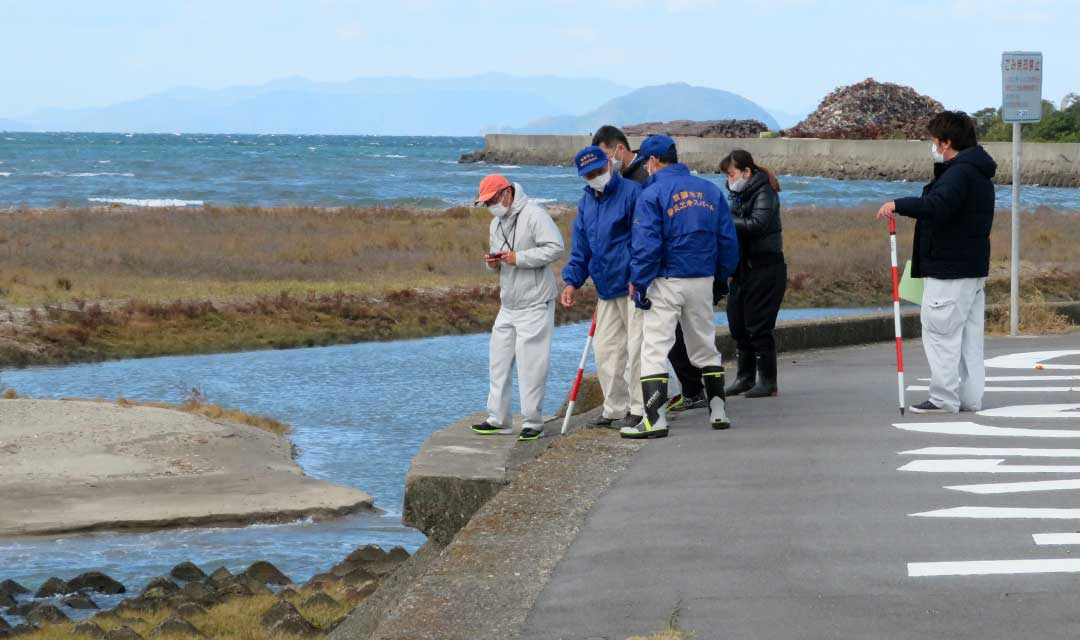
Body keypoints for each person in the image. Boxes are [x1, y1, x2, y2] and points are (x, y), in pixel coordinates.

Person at [877, 111, 997, 414]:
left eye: (934, 141)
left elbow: (937, 206)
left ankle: (943, 398)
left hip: (949, 269)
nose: (933, 147)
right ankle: (970, 397)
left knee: (941, 333)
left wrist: (899, 205)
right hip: (971, 268)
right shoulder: (977, 171)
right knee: (969, 337)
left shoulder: (959, 173)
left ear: (947, 142)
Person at [621, 135, 739, 439]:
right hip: (701, 278)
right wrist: (721, 279)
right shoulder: (710, 191)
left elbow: (647, 244)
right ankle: (718, 411)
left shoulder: (652, 194)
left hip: (665, 280)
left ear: (652, 161)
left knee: (654, 348)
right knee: (704, 344)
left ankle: (655, 419)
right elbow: (727, 242)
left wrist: (640, 281)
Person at [592, 125, 707, 413]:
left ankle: (667, 401)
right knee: (671, 337)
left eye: (607, 156)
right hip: (661, 269)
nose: (606, 165)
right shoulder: (628, 177)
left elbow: (648, 230)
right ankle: (693, 393)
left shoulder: (644, 178)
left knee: (660, 340)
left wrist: (640, 273)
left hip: (658, 270)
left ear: (619, 149)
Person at [471, 174, 565, 440]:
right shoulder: (495, 223)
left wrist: (519, 258)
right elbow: (501, 259)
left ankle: (533, 422)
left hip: (536, 301)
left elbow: (556, 248)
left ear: (506, 193)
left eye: (491, 200)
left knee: (531, 364)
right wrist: (492, 264)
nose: (490, 205)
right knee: (498, 361)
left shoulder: (535, 214)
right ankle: (498, 418)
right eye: (485, 202)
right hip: (509, 302)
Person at [561, 146, 644, 429]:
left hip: (633, 286)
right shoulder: (586, 202)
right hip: (606, 288)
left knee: (637, 350)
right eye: (589, 175)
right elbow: (581, 247)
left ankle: (639, 408)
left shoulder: (632, 193)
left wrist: (638, 275)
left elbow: (642, 238)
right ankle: (614, 409)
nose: (596, 177)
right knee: (606, 351)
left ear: (609, 163)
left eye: (599, 170)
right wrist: (572, 281)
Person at [720, 150, 786, 398]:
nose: (729, 179)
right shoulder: (738, 194)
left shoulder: (765, 192)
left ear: (746, 172)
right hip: (742, 268)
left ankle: (768, 381)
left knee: (758, 325)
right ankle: (744, 377)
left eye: (732, 174)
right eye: (727, 175)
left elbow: (757, 224)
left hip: (765, 266)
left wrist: (724, 221)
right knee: (737, 323)